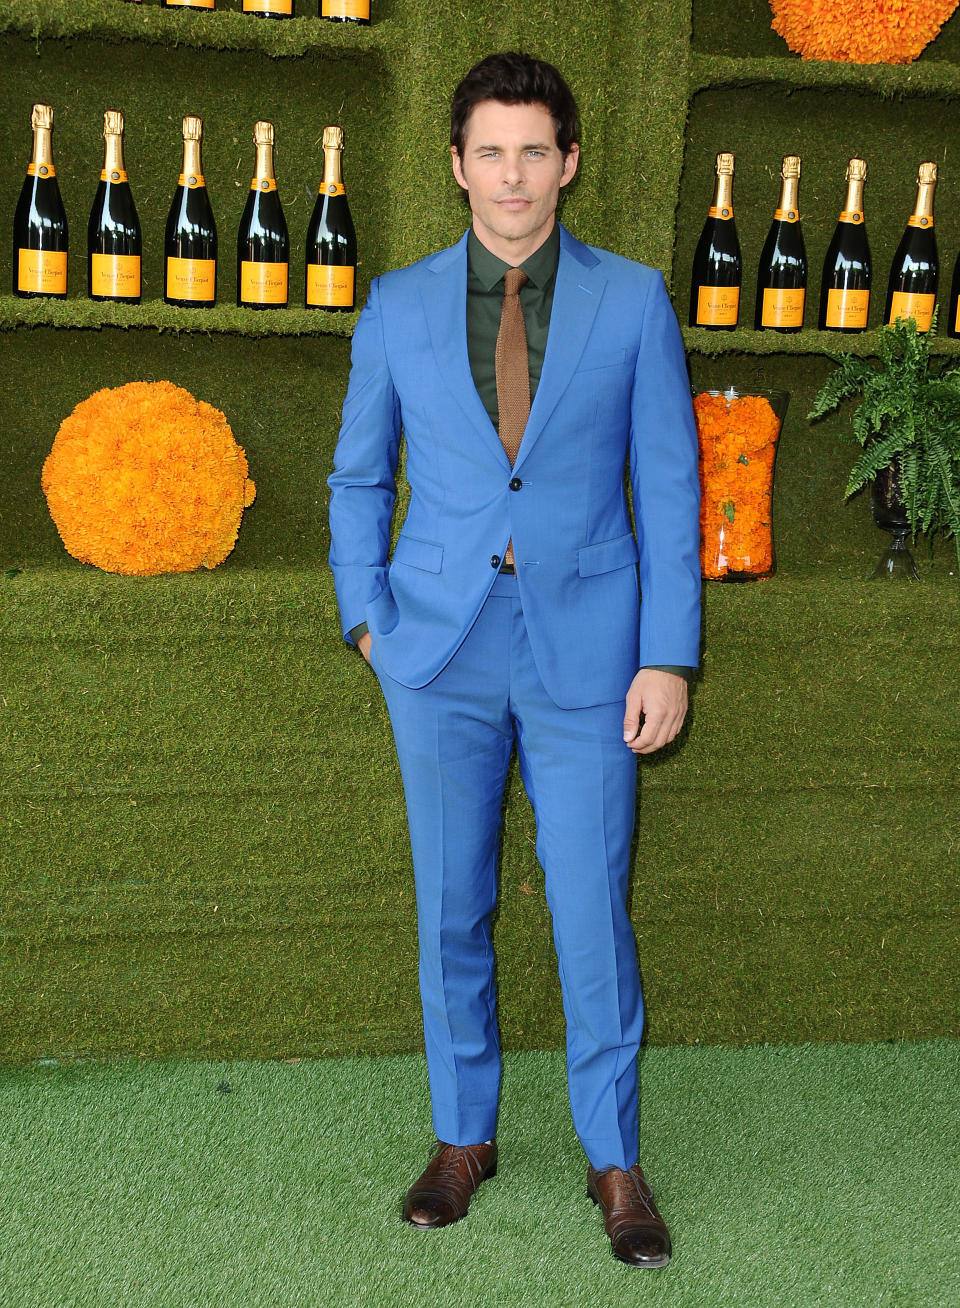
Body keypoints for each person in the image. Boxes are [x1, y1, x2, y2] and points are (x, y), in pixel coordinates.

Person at [328, 51, 701, 1268]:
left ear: (570, 162)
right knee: (453, 906)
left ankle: (615, 1160)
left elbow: (668, 486)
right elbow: (358, 477)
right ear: (456, 166)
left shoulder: (636, 300)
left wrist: (668, 656)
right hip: (435, 654)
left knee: (591, 906)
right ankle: (462, 1137)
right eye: (490, 150)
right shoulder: (392, 305)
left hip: (594, 657)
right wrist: (369, 620)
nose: (513, 174)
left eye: (534, 149)